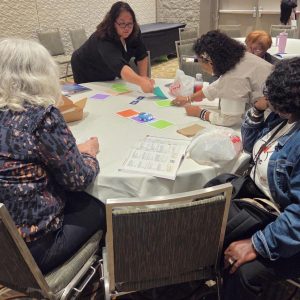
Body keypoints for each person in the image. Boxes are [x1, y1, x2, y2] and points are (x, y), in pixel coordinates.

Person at [0, 38, 105, 274]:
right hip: (36, 249)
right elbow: (78, 179)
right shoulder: (42, 118)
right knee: (102, 206)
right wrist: (89, 154)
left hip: (4, 246)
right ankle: (103, 278)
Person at [206, 57, 300, 299]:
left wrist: (258, 244)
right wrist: (258, 110)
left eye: (276, 104)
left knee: (242, 269)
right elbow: (251, 145)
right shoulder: (284, 117)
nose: (272, 107)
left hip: (283, 226)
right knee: (202, 218)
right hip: (258, 203)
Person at [171, 30, 273, 127]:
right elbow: (220, 84)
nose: (202, 67)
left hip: (271, 121)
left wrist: (200, 113)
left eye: (201, 62)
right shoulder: (241, 58)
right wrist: (189, 98)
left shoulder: (234, 76)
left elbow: (229, 119)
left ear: (211, 61)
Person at [71, 1, 154, 93]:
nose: (127, 28)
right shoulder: (103, 37)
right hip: (85, 67)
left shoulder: (134, 31)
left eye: (130, 23)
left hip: (106, 67)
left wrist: (144, 77)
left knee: (109, 90)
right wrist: (141, 82)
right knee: (90, 95)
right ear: (112, 22)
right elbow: (119, 65)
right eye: (122, 23)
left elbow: (141, 55)